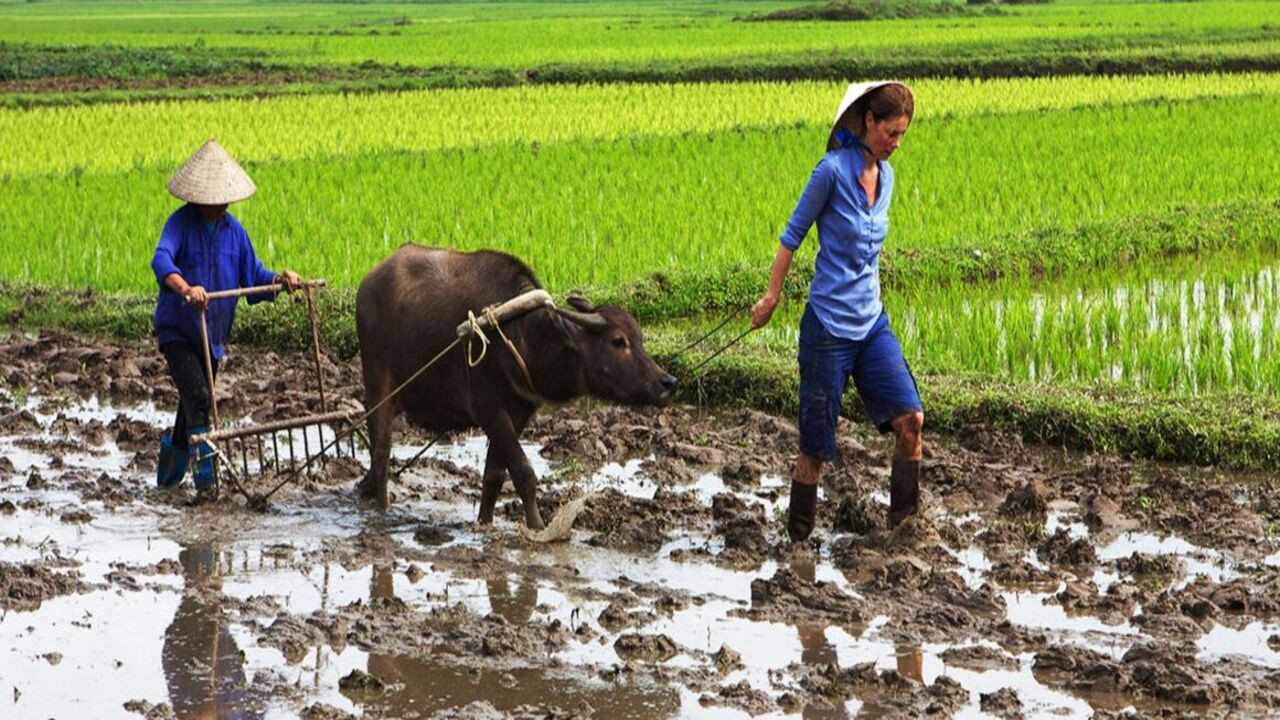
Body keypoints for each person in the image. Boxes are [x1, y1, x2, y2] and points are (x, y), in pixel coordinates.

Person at [751, 82, 924, 541]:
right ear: (868, 121)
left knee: (911, 421)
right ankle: (798, 543)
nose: (896, 143)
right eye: (890, 132)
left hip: (871, 324)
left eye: (903, 134)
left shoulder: (887, 178)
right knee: (816, 448)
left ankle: (905, 530)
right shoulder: (830, 172)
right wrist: (771, 298)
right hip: (828, 329)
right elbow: (791, 237)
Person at [152, 139, 301, 500]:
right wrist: (186, 288)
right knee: (199, 398)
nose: (221, 204)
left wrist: (279, 281)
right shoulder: (180, 224)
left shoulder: (235, 233)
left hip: (212, 337)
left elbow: (253, 279)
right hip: (179, 331)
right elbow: (161, 259)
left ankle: (167, 482)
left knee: (191, 407)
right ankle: (206, 485)